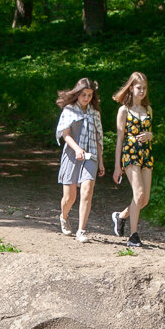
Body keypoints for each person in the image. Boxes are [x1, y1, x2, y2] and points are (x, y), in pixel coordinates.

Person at [55, 78, 105, 243]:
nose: (86, 98)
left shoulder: (95, 113)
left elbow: (99, 138)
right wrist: (77, 149)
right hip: (72, 155)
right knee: (70, 197)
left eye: (90, 95)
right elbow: (65, 134)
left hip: (91, 157)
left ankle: (81, 230)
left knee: (87, 192)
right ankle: (64, 215)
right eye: (83, 95)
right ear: (77, 94)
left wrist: (101, 161)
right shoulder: (69, 110)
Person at [111, 72, 153, 248]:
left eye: (144, 88)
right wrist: (116, 166)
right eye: (138, 88)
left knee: (145, 199)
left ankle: (121, 216)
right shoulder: (124, 110)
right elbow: (120, 139)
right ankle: (133, 235)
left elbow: (151, 133)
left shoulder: (148, 109)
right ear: (131, 88)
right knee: (139, 194)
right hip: (130, 154)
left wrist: (150, 135)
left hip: (146, 154)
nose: (142, 91)